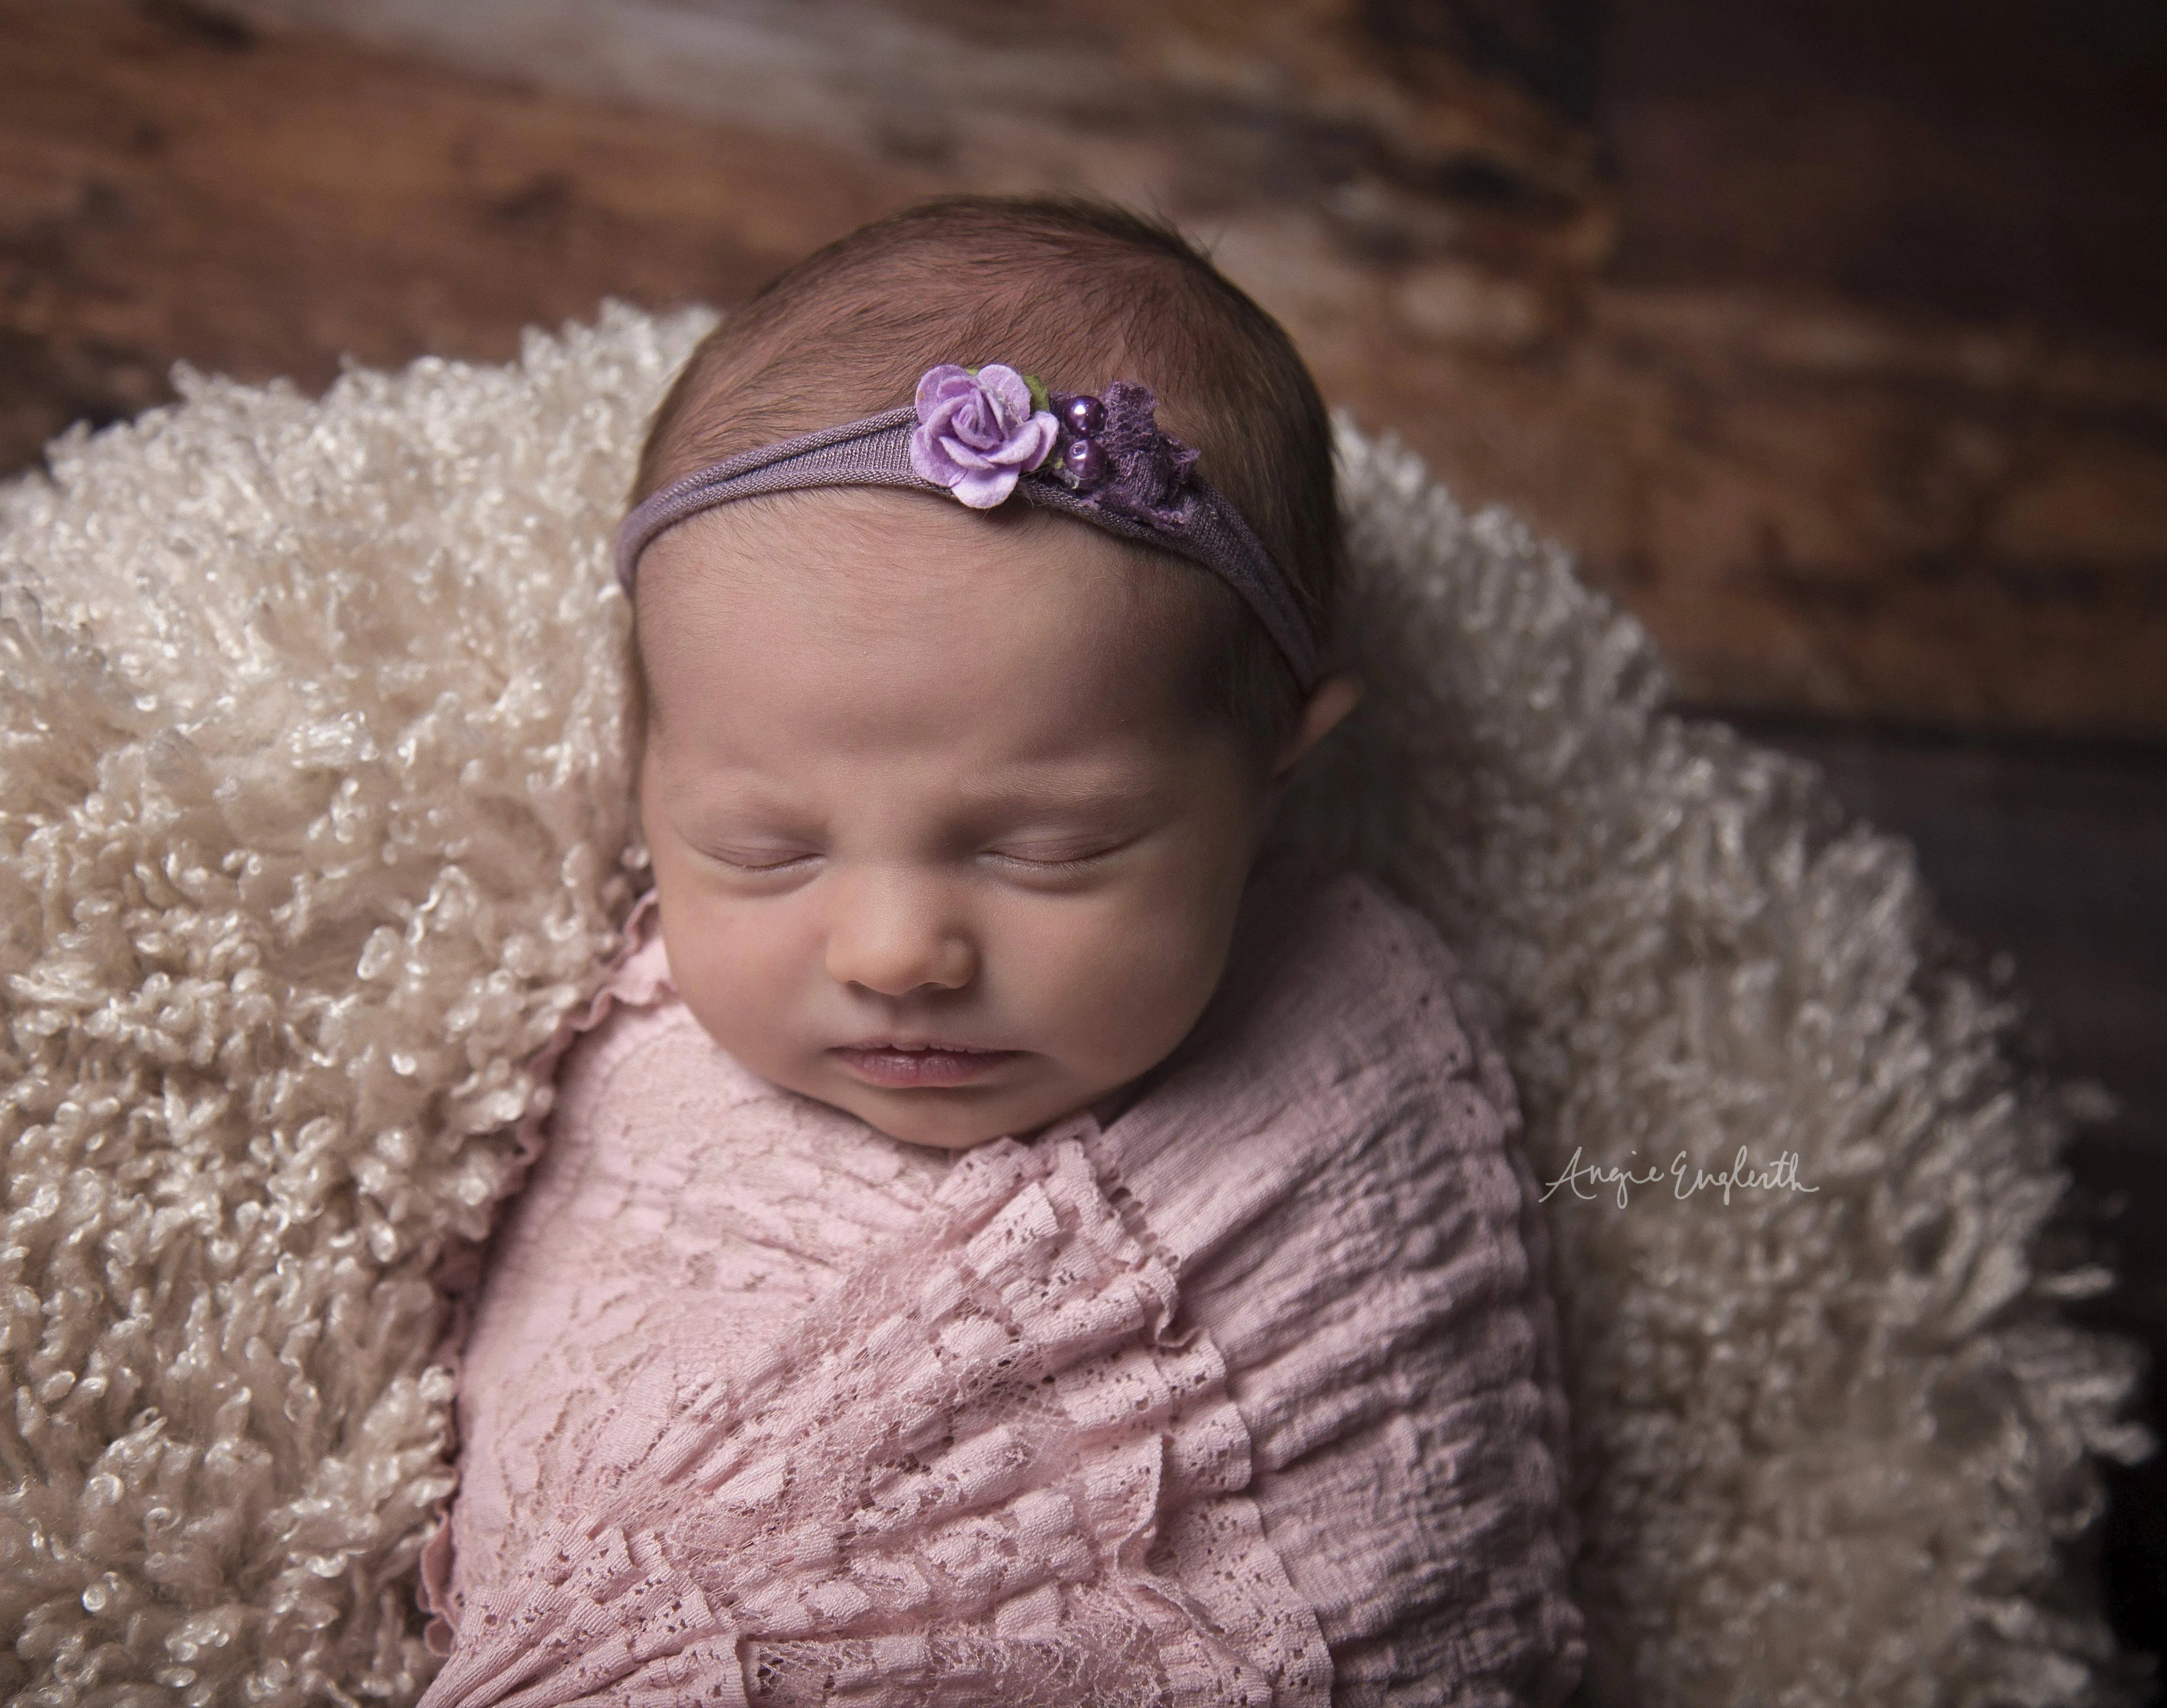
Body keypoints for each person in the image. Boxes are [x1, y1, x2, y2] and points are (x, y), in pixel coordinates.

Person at [416, 197, 1585, 1708]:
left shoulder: (1360, 1059)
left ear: (1270, 780)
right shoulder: (583, 1051)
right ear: (647, 774)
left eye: (1048, 851)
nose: (897, 951)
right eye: (763, 850)